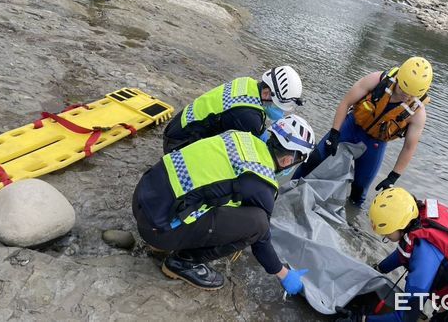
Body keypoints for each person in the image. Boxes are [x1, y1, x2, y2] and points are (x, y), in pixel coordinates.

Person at [132, 115, 315, 293]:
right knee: (258, 223)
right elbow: (261, 239)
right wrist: (283, 274)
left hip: (142, 197)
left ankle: (166, 237)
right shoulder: (262, 184)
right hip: (157, 229)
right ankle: (183, 262)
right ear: (288, 160)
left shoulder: (240, 136)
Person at [293, 57, 432, 206]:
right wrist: (334, 132)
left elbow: (409, 147)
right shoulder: (377, 80)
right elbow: (346, 102)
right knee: (313, 160)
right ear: (399, 78)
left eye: (411, 95)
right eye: (404, 90)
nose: (406, 97)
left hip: (375, 144)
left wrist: (393, 176)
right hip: (351, 127)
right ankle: (286, 190)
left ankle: (350, 223)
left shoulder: (418, 114)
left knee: (359, 191)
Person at [355, 187, 448, 322]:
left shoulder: (424, 255)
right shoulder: (419, 219)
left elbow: (406, 317)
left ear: (400, 225)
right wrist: (379, 268)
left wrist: (361, 320)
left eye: (387, 233)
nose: (385, 236)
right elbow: (402, 253)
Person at [163, 66, 304, 154]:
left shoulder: (247, 83)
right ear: (267, 94)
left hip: (178, 126)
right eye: (277, 106)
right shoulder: (249, 117)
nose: (279, 111)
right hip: (178, 145)